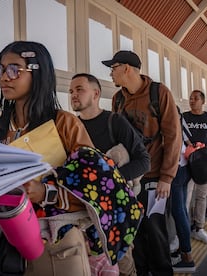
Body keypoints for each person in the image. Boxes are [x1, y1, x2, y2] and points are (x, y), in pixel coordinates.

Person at [0, 41, 143, 276]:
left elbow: (98, 187)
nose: (4, 77)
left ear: (38, 72)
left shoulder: (64, 124)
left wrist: (46, 193)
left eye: (14, 69)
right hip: (8, 246)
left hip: (58, 247)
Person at [102, 50, 182, 276]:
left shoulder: (159, 93)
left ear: (126, 68)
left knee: (155, 232)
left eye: (113, 68)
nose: (111, 73)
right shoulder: (118, 99)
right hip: (129, 177)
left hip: (155, 177)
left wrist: (166, 178)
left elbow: (173, 137)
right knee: (133, 233)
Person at [69, 72, 151, 276]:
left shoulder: (115, 122)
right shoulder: (71, 127)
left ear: (96, 94)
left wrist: (111, 180)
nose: (73, 95)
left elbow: (144, 161)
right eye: (71, 91)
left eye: (79, 89)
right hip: (81, 216)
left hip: (114, 213)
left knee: (123, 266)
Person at [183, 90, 207, 244]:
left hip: (205, 165)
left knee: (201, 196)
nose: (192, 101)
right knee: (186, 197)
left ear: (203, 101)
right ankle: (183, 229)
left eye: (196, 98)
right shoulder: (184, 117)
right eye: (191, 98)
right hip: (187, 162)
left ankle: (199, 228)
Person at [169, 106, 196, 273]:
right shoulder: (180, 117)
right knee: (182, 211)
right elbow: (189, 142)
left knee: (178, 211)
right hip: (185, 168)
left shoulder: (170, 120)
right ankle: (183, 248)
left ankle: (187, 257)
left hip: (176, 169)